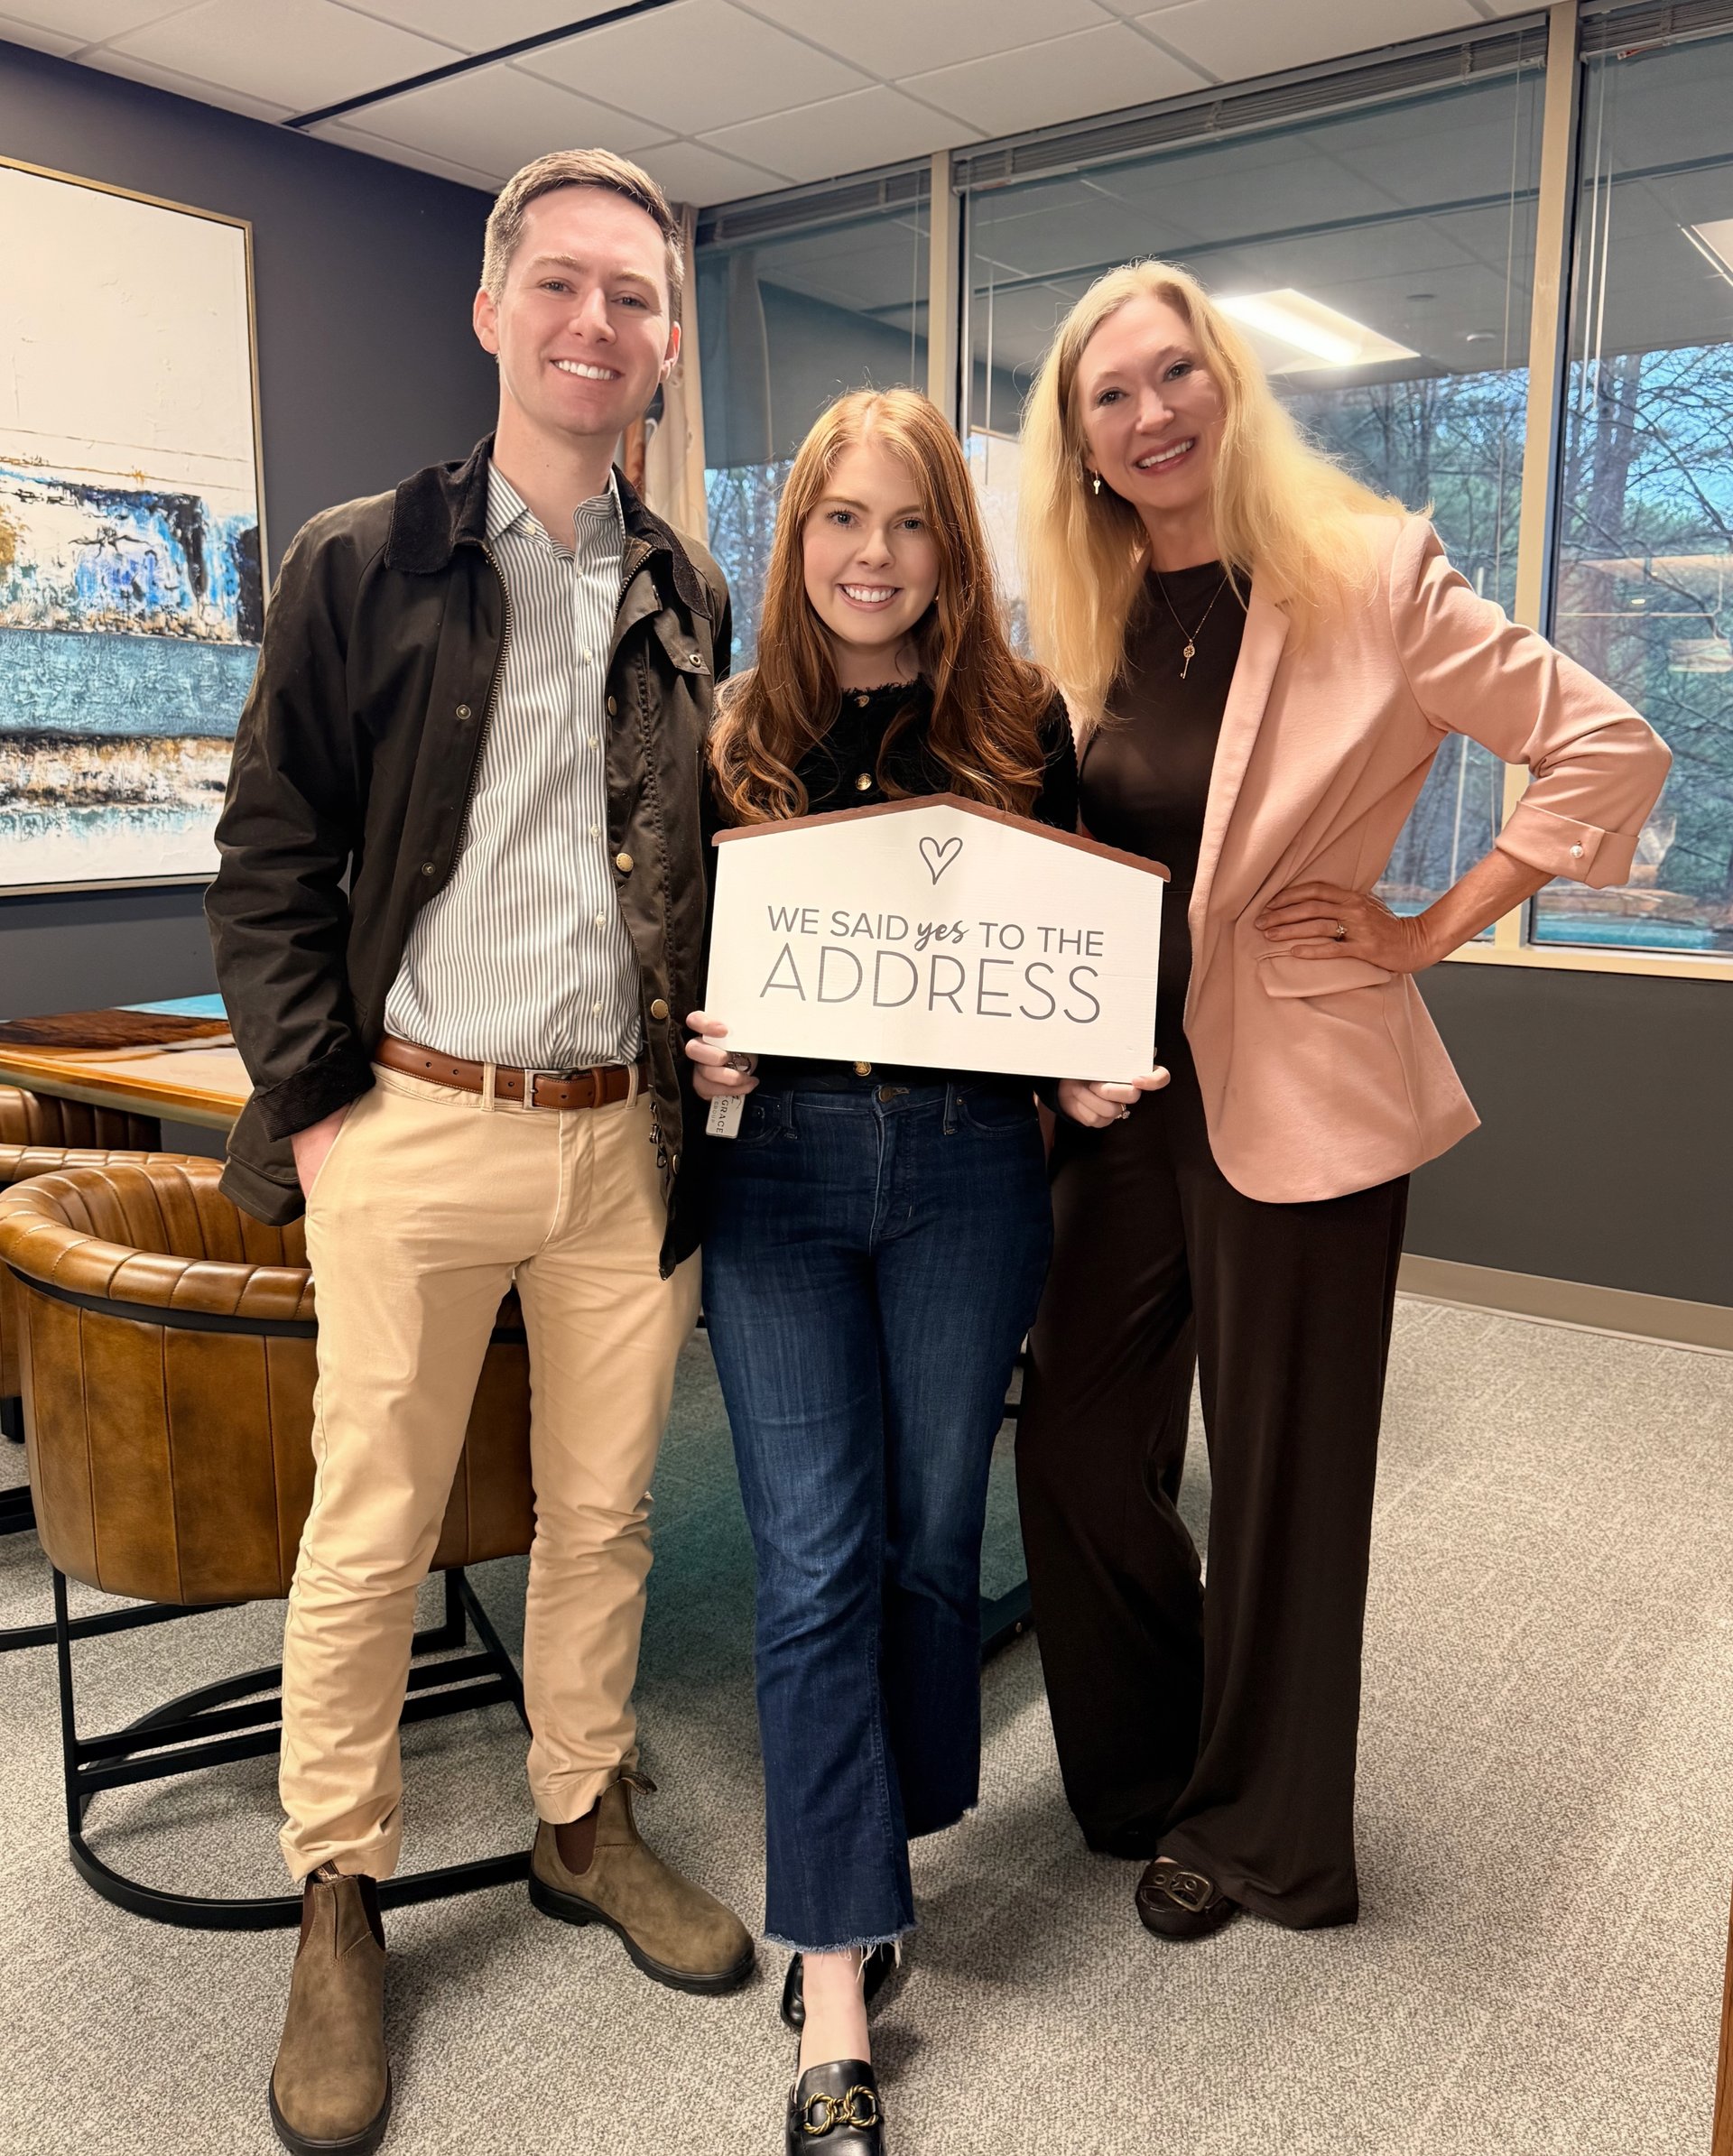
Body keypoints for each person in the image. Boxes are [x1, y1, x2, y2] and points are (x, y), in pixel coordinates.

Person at [1012, 259, 1671, 1944]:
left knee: (1283, 1481)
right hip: (1126, 1095)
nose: (1151, 413)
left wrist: (1429, 927)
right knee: (1074, 1441)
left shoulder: (1368, 570)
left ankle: (1264, 1834)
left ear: (1227, 386)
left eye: (1176, 373)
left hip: (1304, 1073)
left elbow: (1607, 747)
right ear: (1079, 441)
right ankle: (1158, 1754)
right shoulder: (1085, 615)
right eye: (1110, 394)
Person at [207, 149, 753, 2156]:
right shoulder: (365, 558)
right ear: (493, 309)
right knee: (372, 1526)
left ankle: (578, 1818)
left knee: (605, 1516)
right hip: (416, 1120)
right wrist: (325, 1110)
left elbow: (695, 854)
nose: (599, 322)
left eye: (637, 297)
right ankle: (336, 1886)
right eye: (565, 284)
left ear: (667, 344)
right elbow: (269, 853)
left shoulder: (688, 586)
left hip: (626, 1139)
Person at [684, 388, 1075, 2153]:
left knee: (927, 1543)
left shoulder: (1016, 724)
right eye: (842, 517)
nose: (874, 553)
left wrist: (1085, 1062)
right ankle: (835, 1969)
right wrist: (699, 1043)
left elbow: (1070, 957)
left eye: (909, 521)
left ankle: (875, 1843)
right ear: (799, 540)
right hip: (779, 1180)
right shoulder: (733, 732)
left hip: (968, 1177)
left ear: (949, 546)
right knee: (814, 1559)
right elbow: (677, 960)